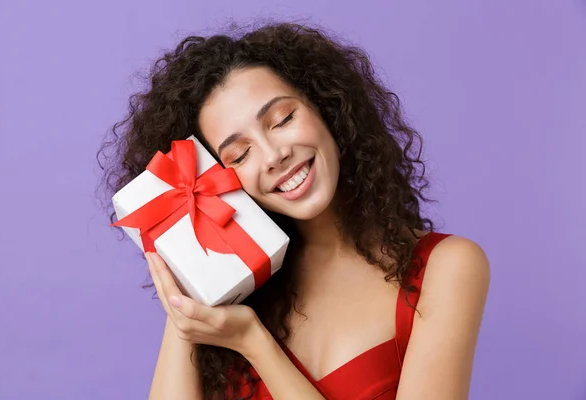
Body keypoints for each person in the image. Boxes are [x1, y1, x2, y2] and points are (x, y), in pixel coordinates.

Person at [98, 22, 490, 400]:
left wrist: (255, 344)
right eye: (240, 154)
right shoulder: (237, 293)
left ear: (328, 109)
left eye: (283, 119)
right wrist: (189, 277)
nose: (274, 156)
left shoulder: (447, 267)